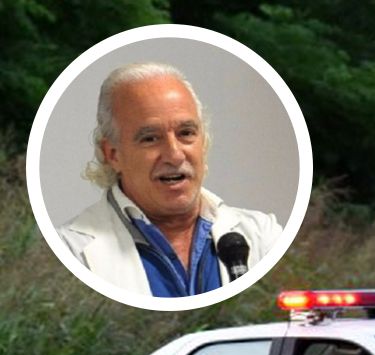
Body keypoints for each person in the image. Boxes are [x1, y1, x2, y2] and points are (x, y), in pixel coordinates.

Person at [57, 62, 282, 298]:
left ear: (203, 142)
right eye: (150, 138)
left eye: (186, 133)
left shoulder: (263, 235)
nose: (175, 155)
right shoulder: (72, 251)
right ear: (112, 154)